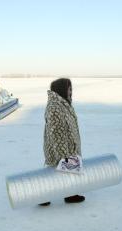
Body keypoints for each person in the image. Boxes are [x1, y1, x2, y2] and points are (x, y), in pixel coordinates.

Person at [40, 78, 85, 206]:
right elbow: (56, 134)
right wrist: (63, 156)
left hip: (69, 147)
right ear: (62, 90)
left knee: (66, 172)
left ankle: (71, 194)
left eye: (71, 89)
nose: (71, 92)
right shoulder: (55, 107)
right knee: (56, 172)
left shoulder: (63, 104)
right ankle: (41, 195)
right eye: (69, 89)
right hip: (60, 148)